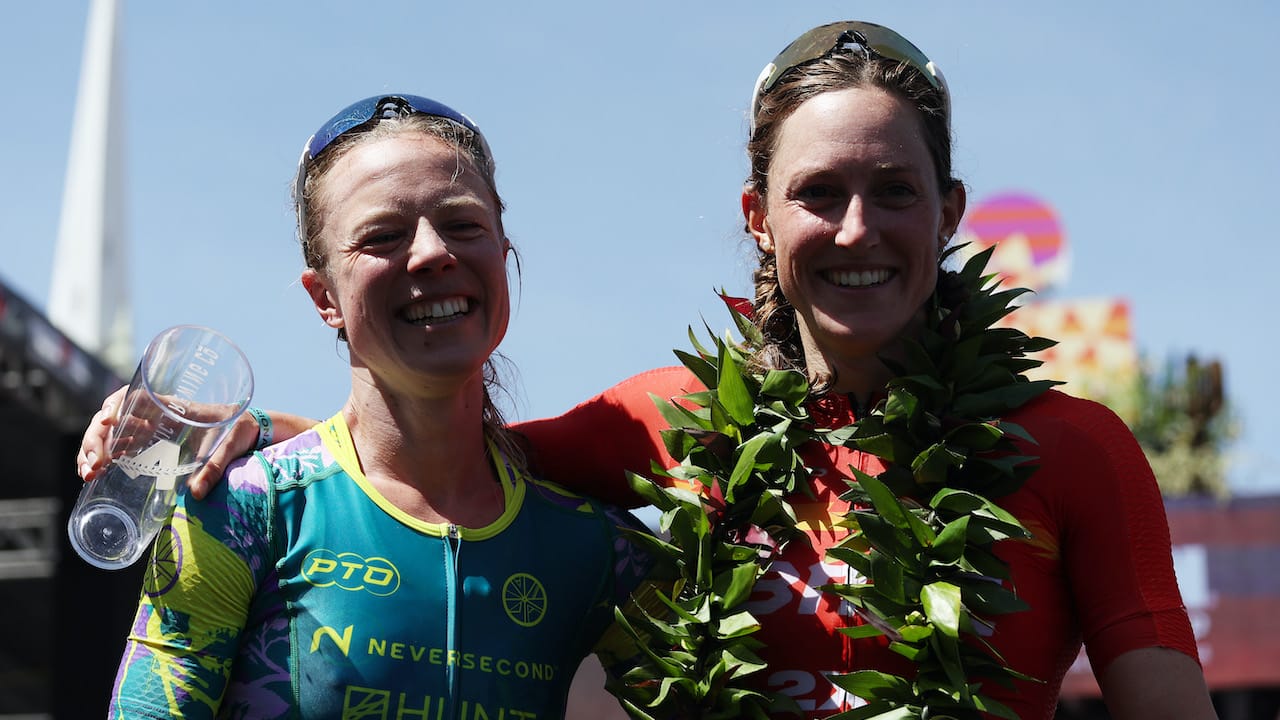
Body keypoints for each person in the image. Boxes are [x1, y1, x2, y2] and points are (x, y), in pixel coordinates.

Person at [80, 23, 1218, 720]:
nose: (856, 228)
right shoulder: (669, 424)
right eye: (817, 193)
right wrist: (232, 439)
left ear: (951, 212)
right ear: (758, 218)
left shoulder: (1074, 453)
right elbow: (436, 456)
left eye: (895, 191)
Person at [95, 93, 657, 719]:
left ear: (503, 255)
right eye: (383, 236)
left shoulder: (604, 550)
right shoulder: (242, 509)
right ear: (324, 298)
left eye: (463, 225)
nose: (432, 252)